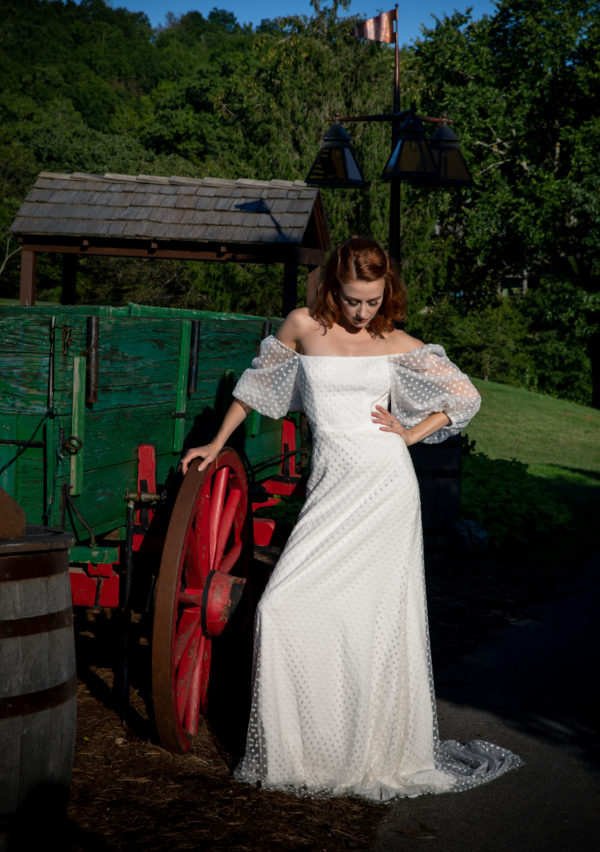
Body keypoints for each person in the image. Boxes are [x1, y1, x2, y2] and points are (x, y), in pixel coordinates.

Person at [181, 236, 522, 801]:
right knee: (282, 608)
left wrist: (411, 433)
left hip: (385, 488)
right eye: (352, 299)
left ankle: (366, 751)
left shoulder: (394, 340)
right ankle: (305, 753)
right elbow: (254, 387)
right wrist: (217, 443)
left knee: (373, 622)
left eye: (372, 300)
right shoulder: (301, 326)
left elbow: (464, 395)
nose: (362, 312)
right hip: (330, 489)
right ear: (331, 286)